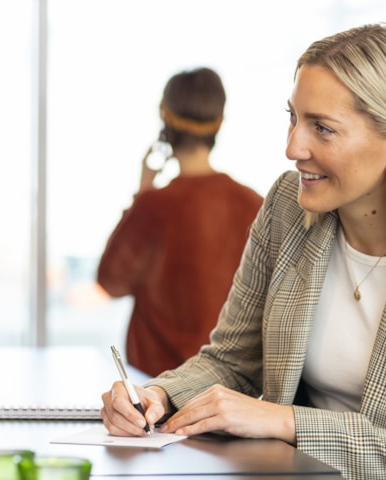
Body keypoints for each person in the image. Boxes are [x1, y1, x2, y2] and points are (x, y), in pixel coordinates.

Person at [100, 23, 386, 480]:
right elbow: (233, 359)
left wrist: (283, 420)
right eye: (293, 117)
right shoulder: (286, 209)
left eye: (323, 129)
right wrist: (157, 396)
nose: (293, 147)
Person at [97, 67, 263, 376]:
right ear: (219, 122)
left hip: (157, 385)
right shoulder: (254, 204)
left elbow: (110, 281)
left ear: (165, 120)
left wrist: (142, 190)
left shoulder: (153, 205)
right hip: (229, 390)